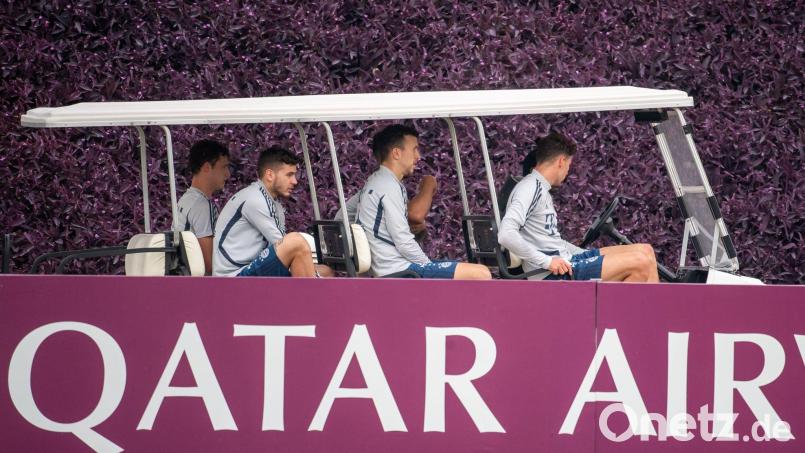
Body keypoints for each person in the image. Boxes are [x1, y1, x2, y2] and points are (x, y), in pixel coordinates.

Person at [498, 132, 659, 282]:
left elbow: (551, 241)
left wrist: (585, 255)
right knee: (641, 263)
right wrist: (547, 262)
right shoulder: (529, 188)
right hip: (552, 273)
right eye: (569, 165)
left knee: (645, 251)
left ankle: (654, 313)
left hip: (566, 260)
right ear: (561, 161)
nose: (567, 172)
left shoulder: (541, 188)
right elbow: (506, 234)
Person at [355, 124, 491, 279]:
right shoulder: (389, 186)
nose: (418, 156)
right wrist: (427, 267)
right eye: (414, 149)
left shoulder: (373, 183)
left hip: (388, 267)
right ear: (396, 153)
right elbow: (403, 241)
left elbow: (341, 216)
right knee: (481, 273)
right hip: (397, 269)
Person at [213, 146, 332, 278]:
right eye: (289, 175)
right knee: (295, 242)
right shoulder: (256, 199)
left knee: (326, 271)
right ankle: (305, 297)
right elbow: (284, 244)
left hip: (249, 269)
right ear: (270, 175)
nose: (295, 181)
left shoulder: (268, 200)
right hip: (233, 277)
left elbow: (279, 251)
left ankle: (305, 293)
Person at [173, 139, 231, 274]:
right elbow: (209, 265)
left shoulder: (186, 199)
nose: (228, 174)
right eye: (224, 167)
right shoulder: (203, 206)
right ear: (206, 167)